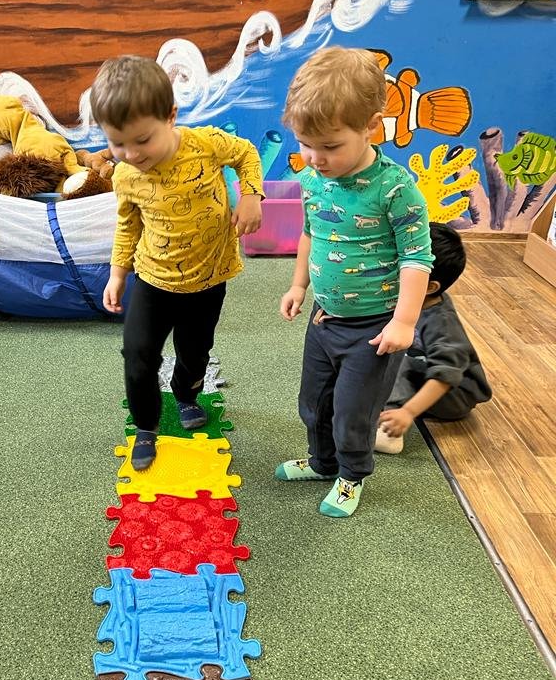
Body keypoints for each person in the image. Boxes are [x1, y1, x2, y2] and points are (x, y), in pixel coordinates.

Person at [275, 46, 433, 518]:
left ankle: (351, 474)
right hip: (324, 318)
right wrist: (298, 286)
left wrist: (404, 321)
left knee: (352, 412)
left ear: (371, 126)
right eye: (306, 144)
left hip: (375, 329)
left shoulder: (395, 188)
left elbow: (417, 258)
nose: (315, 158)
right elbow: (310, 233)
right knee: (314, 403)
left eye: (329, 146)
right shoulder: (314, 179)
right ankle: (323, 463)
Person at [91, 55, 264, 471]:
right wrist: (117, 274)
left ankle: (186, 395)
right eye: (117, 144)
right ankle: (146, 425)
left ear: (170, 116)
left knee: (195, 352)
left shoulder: (205, 143)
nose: (131, 153)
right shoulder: (125, 175)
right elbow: (128, 225)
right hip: (153, 279)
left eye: (142, 140)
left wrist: (251, 195)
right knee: (137, 354)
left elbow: (247, 154)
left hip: (208, 279)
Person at [376, 222, 492, 453]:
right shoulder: (411, 300)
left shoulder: (442, 323)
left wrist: (407, 412)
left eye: (398, 269)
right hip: (423, 373)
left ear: (429, 287)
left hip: (453, 395)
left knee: (396, 357)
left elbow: (446, 374)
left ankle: (388, 431)